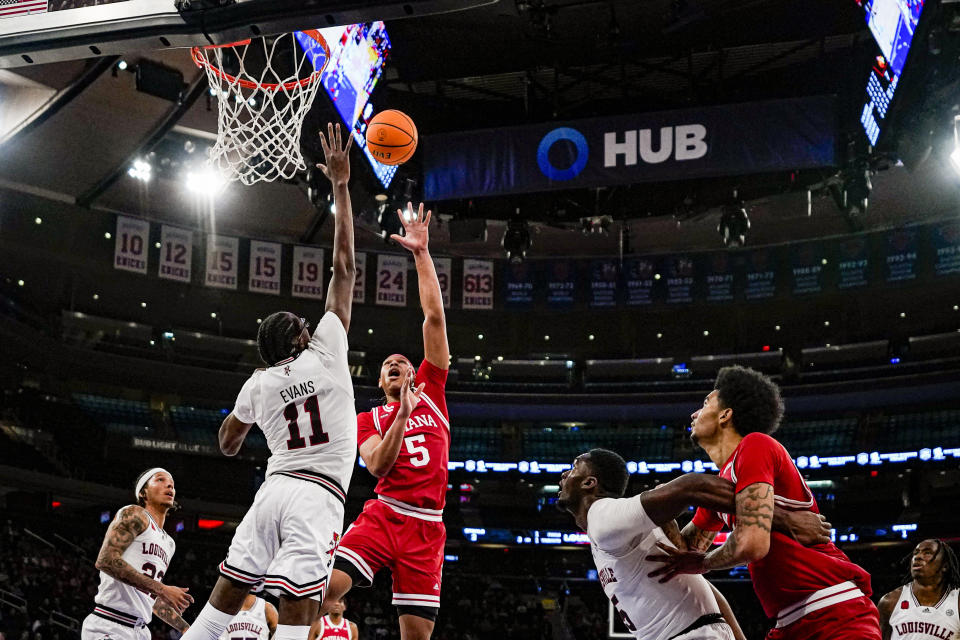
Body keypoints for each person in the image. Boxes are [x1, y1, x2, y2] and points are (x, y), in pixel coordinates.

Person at [181, 123, 358, 640]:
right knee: (302, 610)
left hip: (273, 489)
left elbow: (228, 443)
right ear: (301, 338)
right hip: (317, 495)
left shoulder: (258, 382)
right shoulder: (325, 347)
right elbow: (343, 268)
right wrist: (342, 188)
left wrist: (246, 421)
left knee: (226, 597)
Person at [647, 366, 880, 639]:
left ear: (726, 414)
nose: (694, 413)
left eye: (705, 403)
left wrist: (706, 562)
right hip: (789, 622)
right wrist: (665, 507)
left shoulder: (755, 445)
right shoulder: (719, 485)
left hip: (835, 610)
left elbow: (751, 544)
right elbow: (683, 553)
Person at [325, 201, 450, 640]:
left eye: (403, 361)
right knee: (323, 595)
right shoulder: (369, 417)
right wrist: (402, 415)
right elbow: (376, 465)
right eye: (388, 364)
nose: (396, 363)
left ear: (416, 372)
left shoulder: (434, 392)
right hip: (384, 515)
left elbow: (433, 317)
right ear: (381, 380)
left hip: (428, 528)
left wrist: (421, 253)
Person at [558, 448, 833, 640]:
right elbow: (701, 588)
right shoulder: (612, 532)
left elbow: (691, 486)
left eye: (572, 469)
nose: (563, 476)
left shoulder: (601, 515)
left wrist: (781, 517)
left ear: (590, 482)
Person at [82, 468, 192, 639]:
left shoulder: (169, 543)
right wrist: (163, 589)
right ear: (143, 493)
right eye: (160, 480)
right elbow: (105, 561)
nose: (169, 484)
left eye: (172, 483)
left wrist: (186, 629)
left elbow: (149, 596)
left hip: (140, 631)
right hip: (110, 623)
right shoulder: (135, 514)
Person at [877, 539, 960, 640]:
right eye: (916, 553)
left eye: (927, 553)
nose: (918, 557)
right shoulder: (890, 602)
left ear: (945, 566)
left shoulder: (957, 602)